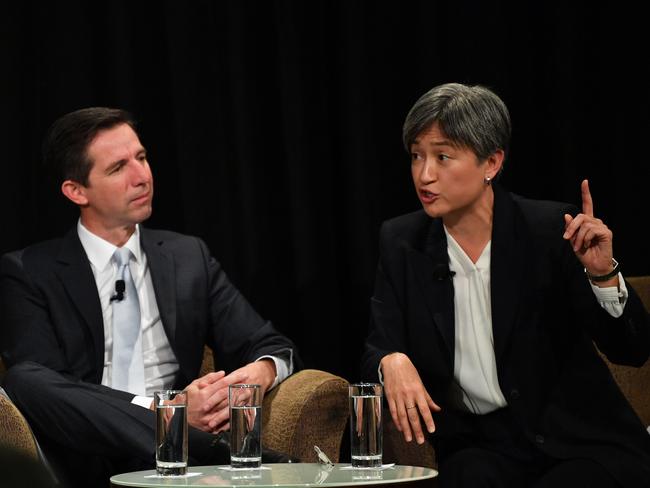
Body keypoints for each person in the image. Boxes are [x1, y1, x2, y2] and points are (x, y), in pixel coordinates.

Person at [361, 83, 650, 487]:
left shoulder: (551, 231)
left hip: (577, 440)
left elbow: (632, 350)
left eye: (443, 156)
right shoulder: (401, 242)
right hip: (483, 446)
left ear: (491, 163)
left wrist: (603, 275)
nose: (424, 175)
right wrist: (390, 359)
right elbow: (378, 342)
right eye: (416, 156)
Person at [0, 107, 299, 487]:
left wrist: (258, 373)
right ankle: (195, 441)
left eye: (141, 158)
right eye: (117, 168)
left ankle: (182, 437)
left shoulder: (188, 257)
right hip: (87, 453)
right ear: (76, 191)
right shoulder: (29, 271)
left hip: (180, 464)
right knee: (25, 379)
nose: (142, 177)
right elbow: (40, 391)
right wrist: (168, 415)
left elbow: (272, 344)